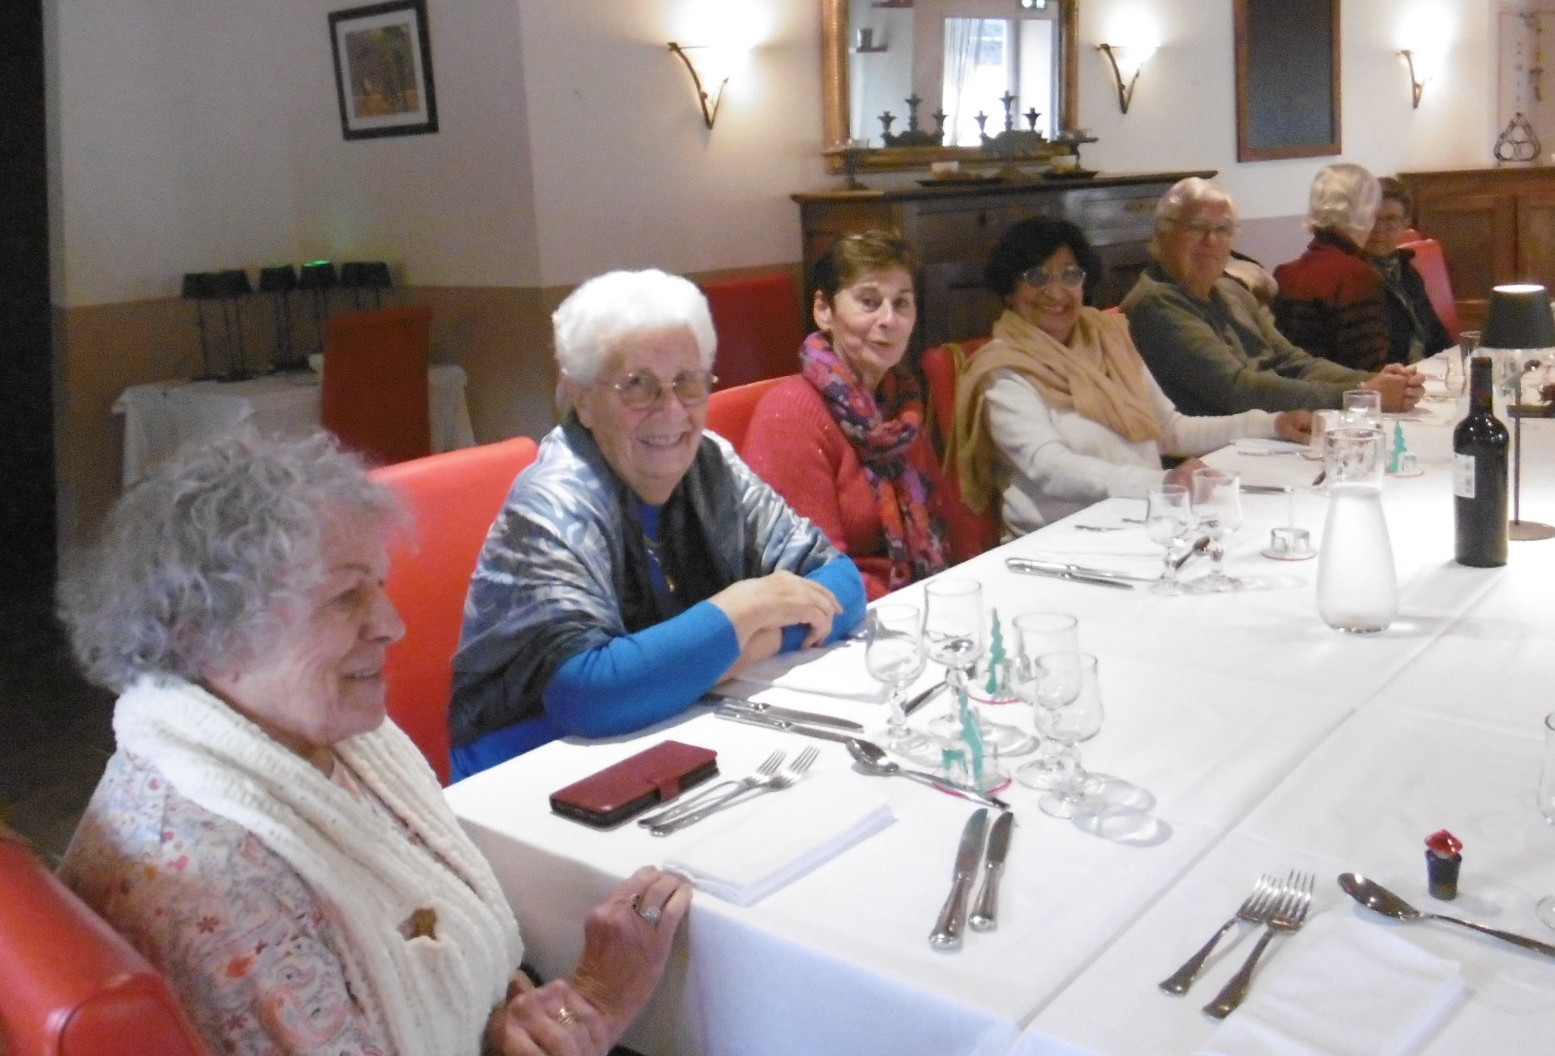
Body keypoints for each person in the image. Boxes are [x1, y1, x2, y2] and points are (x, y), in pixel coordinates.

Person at [57, 430, 691, 1056]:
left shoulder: (316, 742)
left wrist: (511, 1023)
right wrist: (599, 1002)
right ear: (207, 632)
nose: (393, 624)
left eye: (379, 585)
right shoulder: (217, 891)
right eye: (344, 597)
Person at [451, 269, 866, 777]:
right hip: (534, 770)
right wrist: (744, 609)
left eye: (689, 382)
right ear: (581, 396)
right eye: (638, 386)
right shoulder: (555, 501)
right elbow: (590, 693)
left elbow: (842, 584)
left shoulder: (711, 465)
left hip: (669, 731)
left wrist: (717, 655)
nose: (672, 410)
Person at [949, 216, 1311, 537]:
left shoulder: (1108, 339)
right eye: (1037, 277)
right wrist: (1162, 483)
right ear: (1010, 290)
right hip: (1060, 544)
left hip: (1143, 523)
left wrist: (1272, 425)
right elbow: (1050, 468)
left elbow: (1169, 430)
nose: (1056, 292)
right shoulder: (1003, 369)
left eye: (1070, 275)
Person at [743, 231, 950, 600]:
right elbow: (813, 576)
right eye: (869, 302)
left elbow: (946, 524)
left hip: (918, 601)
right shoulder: (791, 412)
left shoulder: (902, 405)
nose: (890, 320)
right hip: (843, 623)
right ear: (824, 310)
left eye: (902, 303)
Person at [1122, 176, 1425, 416]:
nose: (1211, 241)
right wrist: (1362, 393)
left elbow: (1294, 361)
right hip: (1216, 454)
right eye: (1197, 227)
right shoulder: (1157, 303)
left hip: (1271, 429)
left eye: (1223, 229)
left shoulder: (1231, 290)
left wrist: (1378, 383)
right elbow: (1237, 389)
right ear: (1163, 232)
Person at [1271, 163, 1395, 372]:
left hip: (1295, 397)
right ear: (1368, 210)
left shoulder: (1285, 273)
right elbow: (1368, 368)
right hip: (1344, 397)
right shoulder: (1356, 276)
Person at [1364, 176, 1453, 364]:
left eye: (1391, 220)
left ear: (1406, 223)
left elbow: (1435, 332)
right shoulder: (1354, 275)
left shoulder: (1407, 270)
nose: (1379, 228)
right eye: (1371, 218)